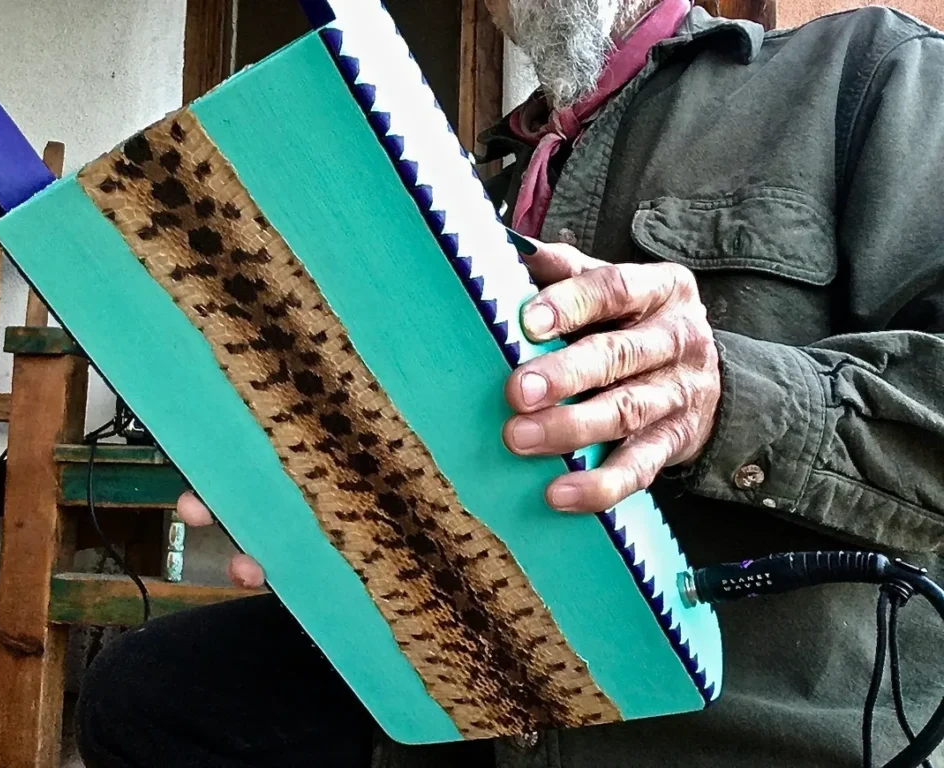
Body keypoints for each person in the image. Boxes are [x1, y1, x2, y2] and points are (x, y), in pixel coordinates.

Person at [76, 0, 944, 765]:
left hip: (740, 722)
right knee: (145, 694)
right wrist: (313, 489)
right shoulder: (466, 176)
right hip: (460, 688)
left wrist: (726, 393)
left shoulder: (869, 73)